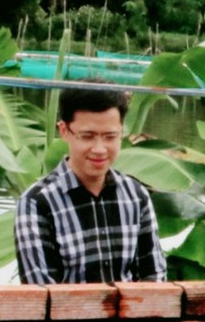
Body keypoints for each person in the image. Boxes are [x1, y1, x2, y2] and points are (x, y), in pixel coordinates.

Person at [14, 86, 165, 284]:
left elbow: (154, 278)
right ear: (64, 131)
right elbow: (41, 292)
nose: (100, 149)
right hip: (66, 313)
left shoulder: (136, 196)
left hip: (132, 311)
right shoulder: (36, 203)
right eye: (87, 136)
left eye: (110, 137)